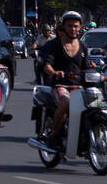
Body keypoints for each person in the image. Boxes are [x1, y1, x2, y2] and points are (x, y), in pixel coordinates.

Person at [38, 11, 90, 149]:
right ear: (64, 26)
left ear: (80, 27)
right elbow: (47, 65)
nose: (73, 29)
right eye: (70, 26)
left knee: (96, 104)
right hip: (60, 86)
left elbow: (86, 67)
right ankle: (54, 135)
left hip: (79, 87)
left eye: (76, 26)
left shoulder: (83, 46)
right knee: (66, 102)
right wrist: (54, 72)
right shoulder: (54, 45)